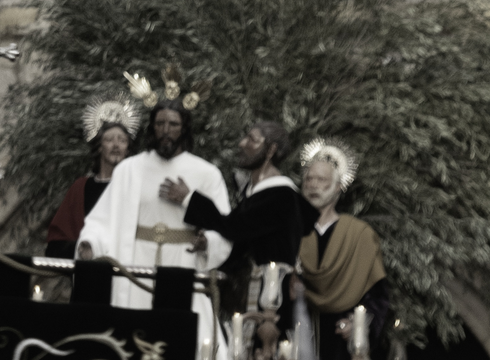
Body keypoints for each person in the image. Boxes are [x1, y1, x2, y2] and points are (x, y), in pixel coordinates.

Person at [76, 84, 232, 314]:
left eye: (173, 125)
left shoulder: (206, 173)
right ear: (152, 127)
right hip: (137, 263)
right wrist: (90, 243)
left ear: (184, 128)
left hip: (183, 263)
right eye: (160, 124)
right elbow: (104, 220)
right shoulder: (129, 169)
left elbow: (224, 226)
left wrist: (207, 241)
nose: (166, 130)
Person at [160, 121, 318, 313]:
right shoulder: (259, 193)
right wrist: (208, 243)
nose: (242, 144)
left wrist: (189, 198)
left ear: (271, 150)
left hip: (272, 298)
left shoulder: (280, 195)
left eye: (252, 140)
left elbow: (234, 228)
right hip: (252, 291)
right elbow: (241, 240)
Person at [292, 141, 389, 360]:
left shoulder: (360, 234)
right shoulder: (292, 231)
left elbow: (377, 296)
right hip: (298, 339)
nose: (314, 185)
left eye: (322, 180)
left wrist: (359, 326)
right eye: (309, 180)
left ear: (338, 187)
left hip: (340, 347)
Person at [45, 96, 140, 260]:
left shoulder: (137, 187)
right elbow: (56, 246)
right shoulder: (81, 188)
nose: (116, 145)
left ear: (128, 148)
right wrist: (81, 248)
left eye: (122, 140)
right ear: (99, 147)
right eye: (109, 140)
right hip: (89, 273)